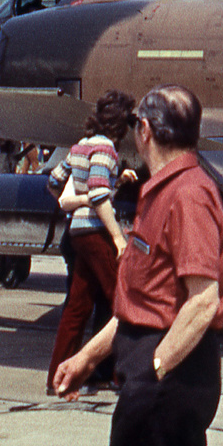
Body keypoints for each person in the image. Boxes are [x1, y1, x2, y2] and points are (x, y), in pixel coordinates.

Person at [53, 85, 223, 446]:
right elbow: (140, 301)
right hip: (160, 374)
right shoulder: (162, 191)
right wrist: (87, 357)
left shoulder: (187, 195)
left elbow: (202, 301)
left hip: (166, 378)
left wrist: (155, 369)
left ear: (145, 130)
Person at [45, 90, 135, 393]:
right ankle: (115, 373)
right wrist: (118, 238)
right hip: (96, 234)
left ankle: (58, 379)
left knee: (77, 306)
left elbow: (54, 182)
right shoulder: (106, 148)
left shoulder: (79, 146)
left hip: (77, 233)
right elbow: (98, 193)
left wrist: (115, 184)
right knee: (121, 303)